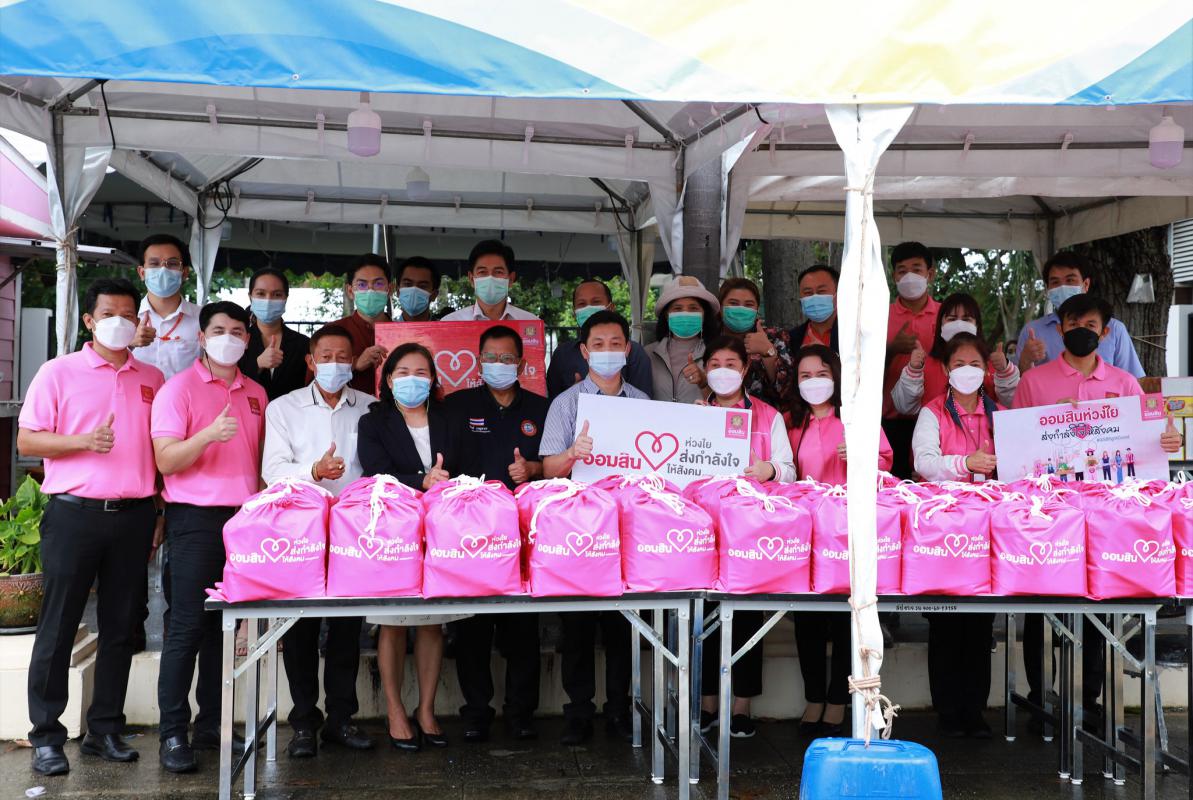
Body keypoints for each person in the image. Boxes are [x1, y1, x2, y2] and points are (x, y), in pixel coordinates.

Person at [17, 279, 165, 776]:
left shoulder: (152, 378)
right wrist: (81, 441)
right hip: (74, 514)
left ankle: (105, 729)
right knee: (58, 625)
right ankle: (46, 734)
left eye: (128, 314)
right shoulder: (58, 372)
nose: (119, 322)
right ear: (89, 320)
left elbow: (160, 449)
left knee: (122, 626)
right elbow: (27, 441)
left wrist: (158, 511)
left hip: (135, 515)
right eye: (108, 314)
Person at [1014, 294, 1182, 729]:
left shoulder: (1125, 384)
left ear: (1106, 332)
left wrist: (1166, 442)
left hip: (1105, 516)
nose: (1081, 330)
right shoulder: (1034, 381)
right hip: (1047, 514)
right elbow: (1016, 444)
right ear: (1060, 329)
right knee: (1039, 606)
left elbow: (1146, 443)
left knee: (1098, 606)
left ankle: (1087, 700)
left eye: (1090, 324)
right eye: (1073, 323)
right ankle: (1040, 699)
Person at [151, 301, 268, 772]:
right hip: (194, 521)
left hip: (244, 523)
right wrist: (207, 435)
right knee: (186, 627)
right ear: (201, 337)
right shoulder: (178, 390)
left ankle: (212, 726)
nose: (228, 338)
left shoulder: (256, 392)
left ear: (248, 339)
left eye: (237, 331)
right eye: (218, 330)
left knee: (225, 629)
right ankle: (172, 733)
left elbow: (260, 463)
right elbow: (165, 460)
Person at [261, 325, 375, 758]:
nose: (334, 364)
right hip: (299, 529)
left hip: (354, 531)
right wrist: (313, 472)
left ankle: (341, 720)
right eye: (325, 356)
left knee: (347, 628)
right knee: (301, 628)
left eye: (343, 356)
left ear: (353, 362)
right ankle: (304, 723)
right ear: (310, 361)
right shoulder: (283, 408)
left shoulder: (370, 407)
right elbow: (273, 470)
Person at [540, 310, 648, 745]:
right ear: (584, 352)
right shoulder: (565, 404)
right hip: (579, 531)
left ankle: (620, 710)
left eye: (615, 344)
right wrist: (572, 454)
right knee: (578, 625)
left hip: (628, 527)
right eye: (598, 345)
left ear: (628, 349)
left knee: (623, 625)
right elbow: (547, 468)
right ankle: (579, 712)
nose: (607, 351)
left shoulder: (643, 402)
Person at [356, 343, 464, 752]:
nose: (412, 380)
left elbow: (465, 466)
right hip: (393, 531)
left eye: (421, 372)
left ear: (433, 379)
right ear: (388, 379)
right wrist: (421, 481)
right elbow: (374, 472)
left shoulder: (449, 418)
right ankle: (396, 711)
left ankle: (427, 710)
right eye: (402, 372)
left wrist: (443, 484)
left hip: (441, 529)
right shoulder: (374, 421)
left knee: (432, 621)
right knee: (393, 621)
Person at [445, 325, 550, 741]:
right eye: (491, 358)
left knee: (522, 627)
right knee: (471, 628)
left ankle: (520, 713)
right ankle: (476, 712)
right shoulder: (457, 406)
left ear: (521, 364)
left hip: (524, 530)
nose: (499, 365)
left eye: (507, 359)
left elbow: (555, 464)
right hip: (469, 530)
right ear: (478, 361)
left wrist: (534, 469)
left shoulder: (541, 408)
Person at [786, 345, 893, 738]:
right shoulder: (790, 422)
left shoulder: (858, 417)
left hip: (848, 530)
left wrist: (862, 456)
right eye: (805, 376)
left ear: (836, 376)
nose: (813, 382)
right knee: (807, 619)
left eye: (821, 374)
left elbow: (886, 463)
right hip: (803, 531)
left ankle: (838, 700)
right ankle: (814, 697)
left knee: (846, 617)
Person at [695, 336, 794, 738]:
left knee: (748, 616)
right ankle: (706, 704)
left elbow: (789, 468)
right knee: (703, 614)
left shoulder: (768, 416)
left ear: (745, 369)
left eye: (731, 364)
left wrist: (770, 469)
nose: (723, 371)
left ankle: (741, 706)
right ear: (705, 370)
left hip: (752, 531)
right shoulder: (692, 414)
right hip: (703, 526)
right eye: (714, 363)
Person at [910, 332, 1001, 738]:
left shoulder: (1000, 415)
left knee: (980, 623)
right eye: (959, 364)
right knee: (945, 620)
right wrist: (966, 463)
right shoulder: (932, 413)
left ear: (986, 370)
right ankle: (947, 709)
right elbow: (924, 462)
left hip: (986, 529)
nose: (967, 371)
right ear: (946, 369)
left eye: (975, 364)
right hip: (941, 529)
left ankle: (974, 709)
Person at [1016, 252, 1144, 378]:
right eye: (1055, 282)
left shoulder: (1115, 329)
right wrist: (1025, 361)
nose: (1062, 287)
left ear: (1086, 284)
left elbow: (1134, 381)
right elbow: (1016, 385)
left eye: (1070, 280)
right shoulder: (1032, 331)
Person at [891, 292, 1019, 417]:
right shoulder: (923, 366)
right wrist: (913, 370)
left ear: (977, 325)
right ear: (940, 325)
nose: (959, 324)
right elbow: (904, 407)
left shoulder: (993, 365)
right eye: (951, 319)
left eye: (966, 319)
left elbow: (1015, 402)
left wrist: (1004, 371)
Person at [882, 242, 941, 478]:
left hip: (938, 420)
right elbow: (862, 372)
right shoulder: (879, 315)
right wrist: (891, 350)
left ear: (930, 274)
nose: (909, 276)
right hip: (891, 422)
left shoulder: (946, 315)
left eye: (916, 269)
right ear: (894, 276)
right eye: (902, 270)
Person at [545, 279, 652, 399]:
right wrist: (574, 397)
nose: (588, 308)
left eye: (596, 302)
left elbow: (643, 403)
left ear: (611, 307)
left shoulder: (634, 353)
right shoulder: (562, 354)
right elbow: (553, 400)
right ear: (574, 312)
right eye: (582, 304)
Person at [130, 233, 202, 380]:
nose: (163, 269)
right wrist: (128, 343)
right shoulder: (126, 317)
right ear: (142, 272)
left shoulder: (203, 319)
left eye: (172, 263)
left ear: (185, 273)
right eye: (154, 264)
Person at [717, 277, 795, 409]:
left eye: (749, 305)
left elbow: (788, 392)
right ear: (720, 307)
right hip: (717, 417)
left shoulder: (774, 337)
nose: (741, 309)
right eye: (734, 303)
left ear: (757, 309)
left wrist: (768, 352)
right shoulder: (709, 340)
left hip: (765, 418)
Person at [645, 276, 721, 404]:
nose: (685, 313)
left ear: (704, 314)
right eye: (677, 308)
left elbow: (727, 402)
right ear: (667, 314)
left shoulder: (718, 354)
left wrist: (704, 383)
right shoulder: (648, 353)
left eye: (693, 308)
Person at [238, 267, 311, 400]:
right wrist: (257, 365)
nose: (268, 300)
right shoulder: (237, 341)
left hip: (291, 412)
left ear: (286, 298)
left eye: (277, 294)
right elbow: (227, 381)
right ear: (250, 297)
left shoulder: (303, 344)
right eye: (261, 293)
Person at [332, 254, 394, 394]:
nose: (370, 290)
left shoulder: (403, 333)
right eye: (362, 285)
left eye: (378, 284)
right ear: (350, 291)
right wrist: (354, 365)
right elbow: (316, 381)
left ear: (389, 289)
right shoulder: (333, 331)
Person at [441, 240, 539, 321]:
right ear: (471, 279)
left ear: (511, 279)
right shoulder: (450, 323)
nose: (490, 277)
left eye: (498, 272)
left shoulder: (531, 323)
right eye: (482, 272)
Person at [789, 265, 840, 352]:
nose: (814, 297)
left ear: (838, 293)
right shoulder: (791, 338)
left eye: (821, 291)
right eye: (808, 292)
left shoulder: (855, 334)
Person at [394, 256, 440, 322]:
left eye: (422, 286)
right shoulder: (385, 328)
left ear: (434, 295)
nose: (414, 290)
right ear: (398, 291)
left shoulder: (448, 328)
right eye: (407, 284)